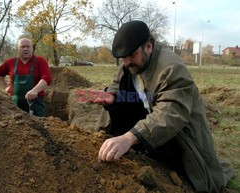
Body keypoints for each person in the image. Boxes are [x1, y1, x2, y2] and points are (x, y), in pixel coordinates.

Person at [94, 21, 234, 193]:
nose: (127, 62)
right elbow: (118, 82)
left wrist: (129, 138)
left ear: (148, 46)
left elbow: (170, 113)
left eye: (132, 55)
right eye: (123, 58)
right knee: (118, 103)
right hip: (149, 116)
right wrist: (111, 95)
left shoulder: (171, 68)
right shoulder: (131, 62)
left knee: (187, 171)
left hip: (179, 134)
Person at [0, 38, 52, 117]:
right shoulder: (11, 62)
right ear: (18, 49)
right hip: (15, 104)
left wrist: (35, 90)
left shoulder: (40, 61)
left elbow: (47, 78)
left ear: (32, 48)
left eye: (28, 46)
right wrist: (6, 88)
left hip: (35, 104)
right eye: (22, 47)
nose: (25, 49)